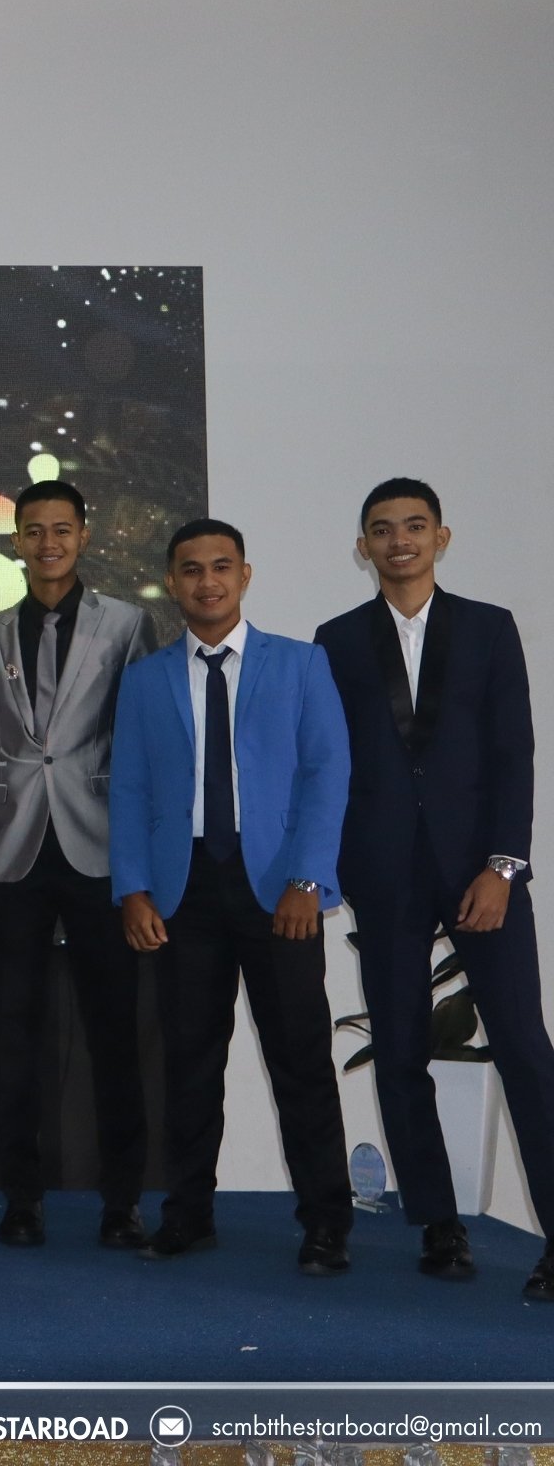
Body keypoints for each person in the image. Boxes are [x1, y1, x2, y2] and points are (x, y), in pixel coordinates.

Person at [315, 479, 554, 1301]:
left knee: (524, 1049)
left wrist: (503, 865)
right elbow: (331, 763)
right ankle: (439, 1224)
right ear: (364, 547)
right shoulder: (337, 640)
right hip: (385, 875)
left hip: (483, 876)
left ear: (441, 538)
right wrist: (341, 867)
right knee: (400, 1052)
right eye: (382, 530)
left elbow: (514, 754)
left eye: (414, 526)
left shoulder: (489, 628)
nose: (399, 541)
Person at [111, 518, 354, 1274]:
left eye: (221, 567)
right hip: (181, 890)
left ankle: (326, 1223)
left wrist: (308, 879)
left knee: (301, 1059)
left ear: (245, 576)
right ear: (172, 582)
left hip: (280, 889)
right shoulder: (146, 679)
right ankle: (188, 1216)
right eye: (191, 569)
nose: (207, 581)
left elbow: (327, 774)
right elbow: (128, 789)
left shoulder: (301, 663)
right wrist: (133, 888)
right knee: (188, 1062)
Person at [0, 480, 157, 1250]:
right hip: (12, 853)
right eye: (33, 530)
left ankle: (122, 1202)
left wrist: (143, 861)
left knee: (114, 1032)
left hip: (100, 847)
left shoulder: (128, 623)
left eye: (61, 529)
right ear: (16, 541)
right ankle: (22, 1198)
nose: (47, 542)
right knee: (14, 1034)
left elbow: (145, 741)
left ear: (84, 536)